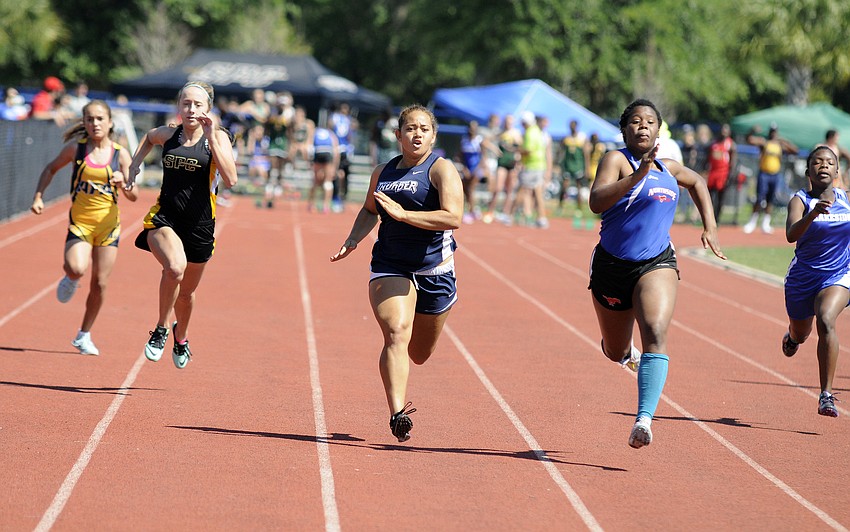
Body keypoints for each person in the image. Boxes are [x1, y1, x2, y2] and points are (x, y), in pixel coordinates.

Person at [588, 99, 725, 449]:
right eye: (635, 121)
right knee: (614, 350)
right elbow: (596, 201)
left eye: (650, 121)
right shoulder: (615, 160)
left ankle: (644, 420)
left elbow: (697, 182)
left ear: (659, 130)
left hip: (656, 262)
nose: (643, 126)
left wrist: (710, 226)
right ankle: (624, 352)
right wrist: (636, 177)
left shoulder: (669, 169)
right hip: (611, 266)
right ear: (624, 129)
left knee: (656, 329)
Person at [330, 104, 463, 442]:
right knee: (396, 331)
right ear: (398, 135)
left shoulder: (441, 170)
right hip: (390, 265)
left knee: (418, 353)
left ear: (433, 136)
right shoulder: (383, 172)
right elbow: (368, 210)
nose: (416, 134)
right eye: (410, 128)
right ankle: (398, 412)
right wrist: (353, 238)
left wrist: (404, 216)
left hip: (436, 269)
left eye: (424, 129)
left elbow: (452, 217)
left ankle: (402, 391)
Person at [125, 81, 238, 369]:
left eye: (197, 105)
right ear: (179, 106)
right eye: (186, 103)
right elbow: (149, 138)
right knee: (175, 268)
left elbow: (231, 179)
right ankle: (161, 328)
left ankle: (181, 335)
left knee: (186, 294)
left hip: (200, 224)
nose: (191, 109)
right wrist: (135, 164)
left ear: (208, 109)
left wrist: (212, 137)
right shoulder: (169, 134)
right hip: (165, 218)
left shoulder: (218, 138)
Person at [30, 100, 138, 355]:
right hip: (81, 223)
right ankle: (70, 278)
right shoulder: (76, 150)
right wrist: (38, 196)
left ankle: (84, 334)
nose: (95, 124)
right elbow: (51, 168)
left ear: (110, 122)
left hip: (109, 227)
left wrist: (124, 183)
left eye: (100, 119)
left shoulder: (120, 153)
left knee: (100, 284)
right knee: (77, 267)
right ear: (84, 123)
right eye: (90, 119)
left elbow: (133, 195)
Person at [781, 146, 849, 418]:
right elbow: (790, 234)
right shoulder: (800, 200)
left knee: (826, 318)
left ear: (836, 171)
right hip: (802, 279)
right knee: (802, 332)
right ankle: (793, 337)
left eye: (829, 162)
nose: (823, 166)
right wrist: (813, 215)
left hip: (839, 274)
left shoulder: (846, 199)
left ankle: (826, 395)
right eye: (817, 162)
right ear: (808, 171)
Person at [744, 124, 798, 234]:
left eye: (775, 131)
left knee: (770, 199)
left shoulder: (780, 145)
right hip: (764, 174)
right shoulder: (764, 143)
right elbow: (749, 140)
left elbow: (795, 150)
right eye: (771, 131)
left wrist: (784, 140)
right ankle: (752, 222)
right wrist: (752, 130)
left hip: (775, 175)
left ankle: (765, 223)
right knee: (760, 198)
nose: (773, 133)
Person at [515, 111, 548, 228]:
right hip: (540, 165)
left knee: (525, 191)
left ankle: (526, 215)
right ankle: (541, 217)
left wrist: (516, 150)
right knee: (538, 192)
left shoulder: (529, 133)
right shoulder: (537, 131)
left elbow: (528, 150)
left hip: (531, 165)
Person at [705, 124, 737, 224]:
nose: (724, 132)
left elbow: (733, 159)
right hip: (713, 173)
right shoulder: (714, 143)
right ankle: (708, 219)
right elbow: (708, 157)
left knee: (720, 197)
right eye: (723, 129)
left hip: (723, 173)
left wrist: (731, 174)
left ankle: (716, 219)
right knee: (709, 197)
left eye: (726, 130)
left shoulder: (730, 144)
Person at [308, 117, 340, 213]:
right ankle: (326, 205)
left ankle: (311, 204)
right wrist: (335, 166)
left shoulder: (315, 132)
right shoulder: (331, 134)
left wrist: (309, 162)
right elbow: (336, 151)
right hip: (327, 154)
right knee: (328, 181)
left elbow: (309, 146)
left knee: (316, 180)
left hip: (318, 153)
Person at [559, 119, 590, 212]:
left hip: (578, 166)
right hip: (568, 166)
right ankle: (560, 206)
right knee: (564, 186)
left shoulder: (582, 138)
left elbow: (586, 154)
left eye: (573, 126)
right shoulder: (566, 139)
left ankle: (579, 208)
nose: (572, 128)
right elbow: (561, 152)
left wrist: (587, 168)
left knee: (578, 187)